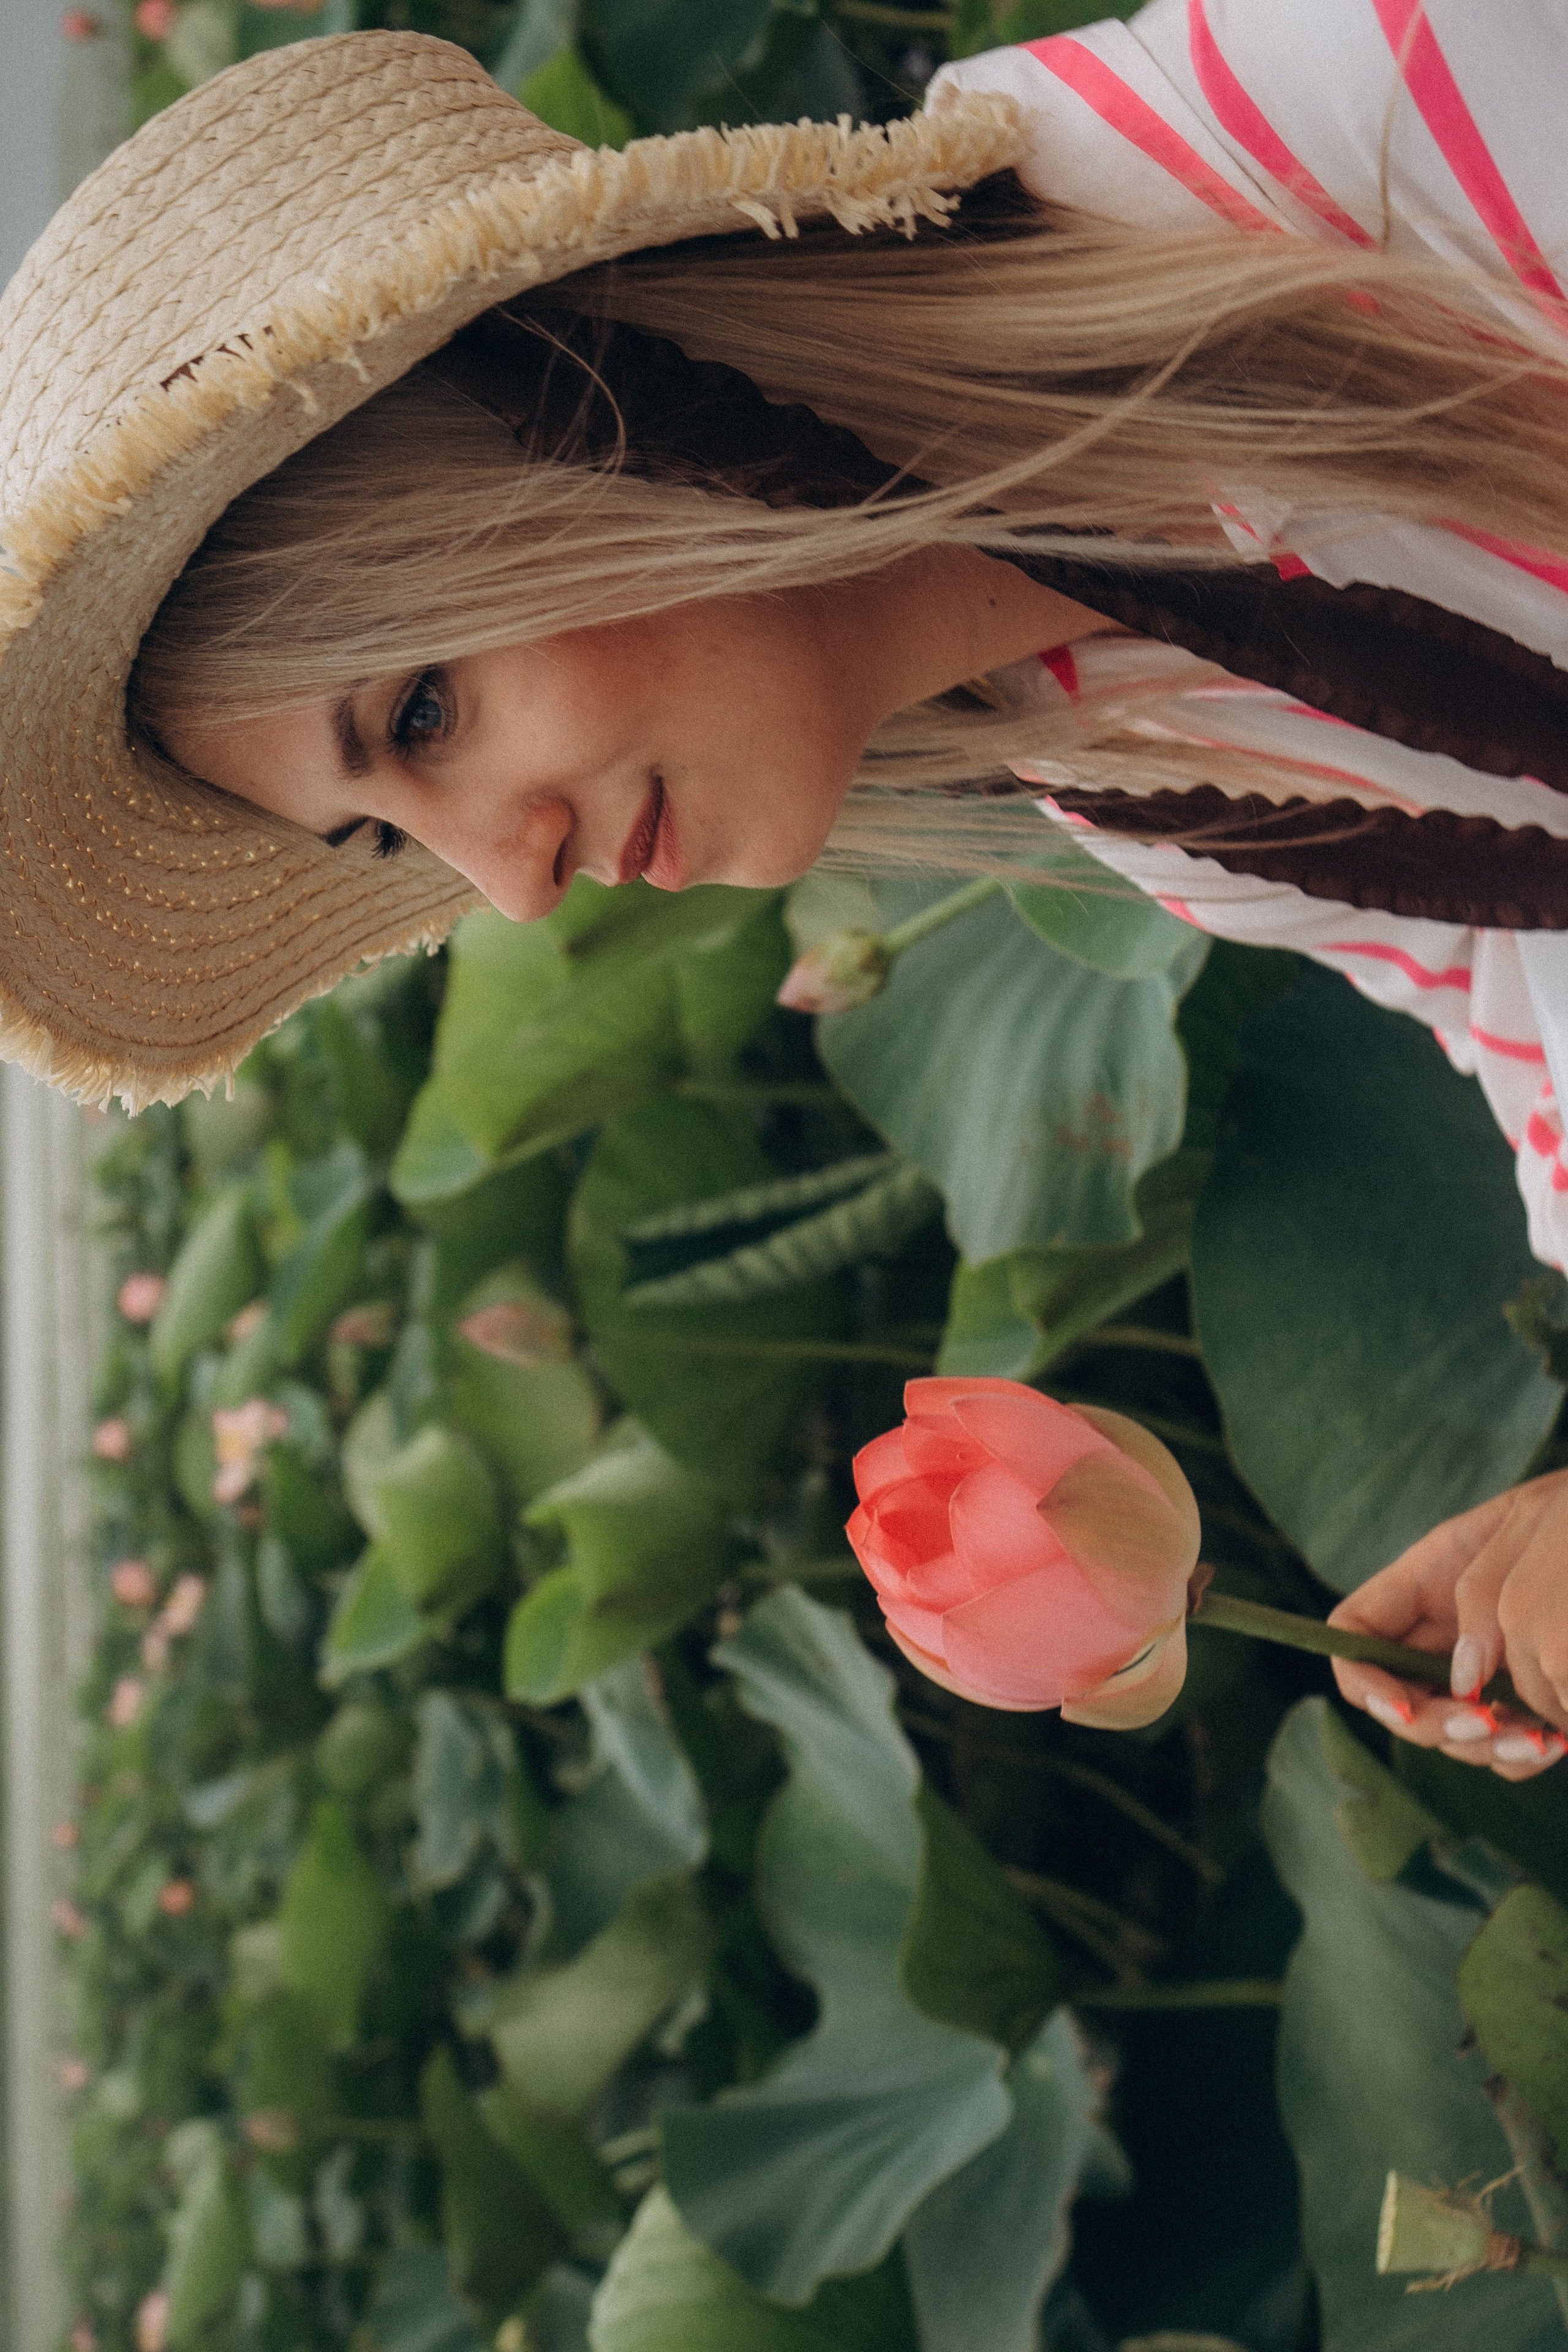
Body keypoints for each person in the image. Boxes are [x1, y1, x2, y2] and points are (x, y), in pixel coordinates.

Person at [3, 1, 1567, 1771]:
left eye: (422, 715)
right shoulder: (1126, 771)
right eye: (387, 838)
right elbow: (1516, 975)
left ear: (580, 412)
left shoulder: (1296, 139)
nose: (513, 891)